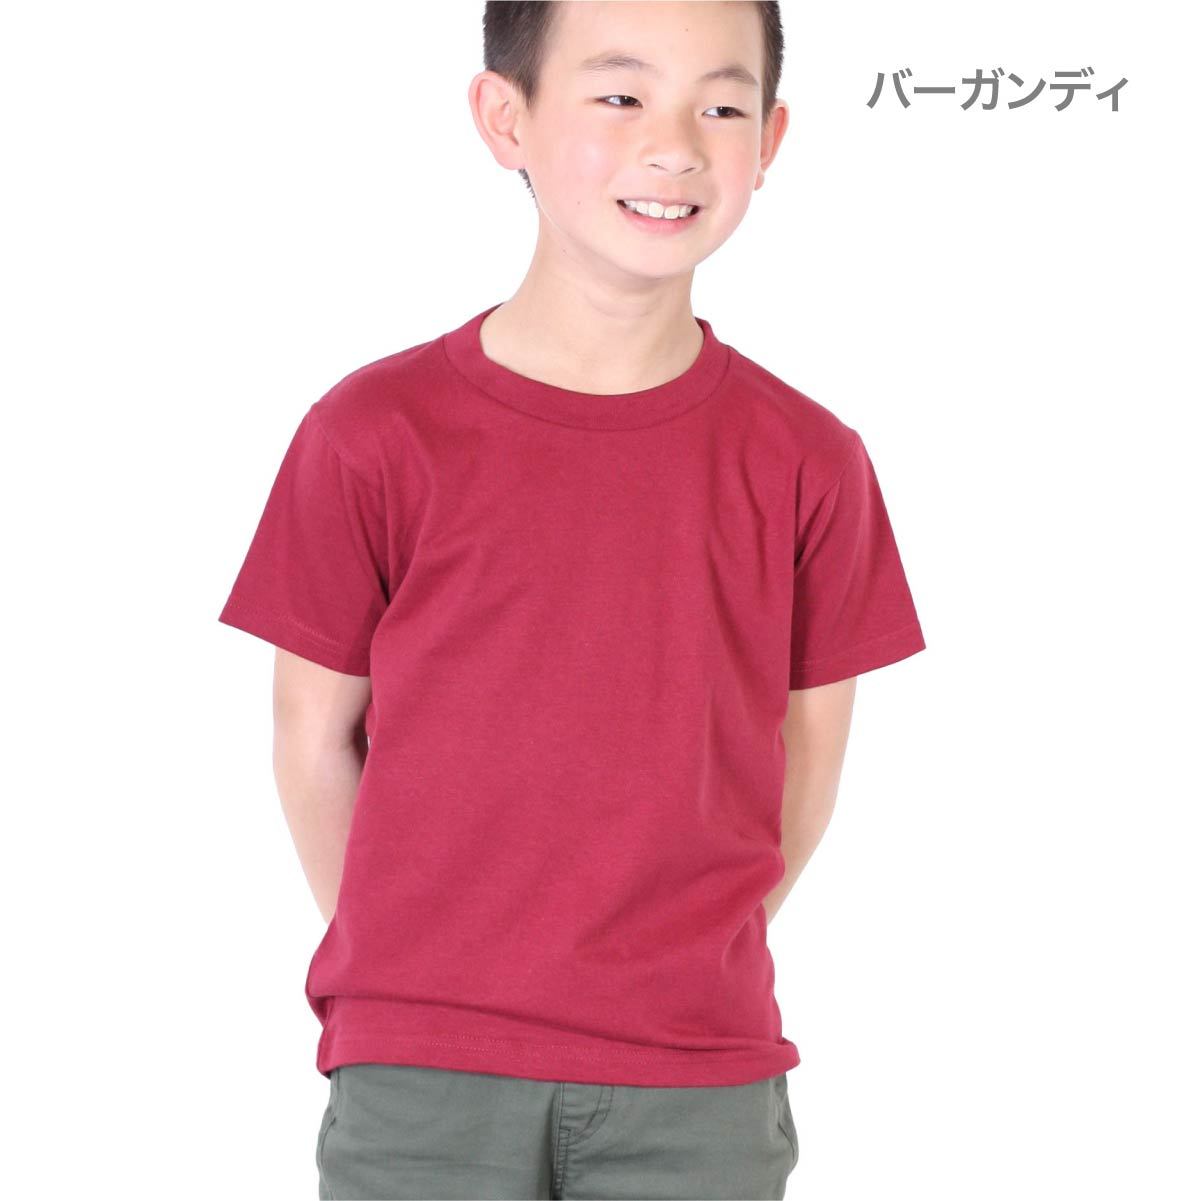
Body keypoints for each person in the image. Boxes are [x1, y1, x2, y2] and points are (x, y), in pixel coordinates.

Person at [217, 3, 926, 1198]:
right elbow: (310, 741)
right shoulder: (373, 433)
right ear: (507, 117)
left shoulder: (811, 459)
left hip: (698, 1082)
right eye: (620, 95)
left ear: (771, 140)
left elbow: (807, 762)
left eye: (722, 104)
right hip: (421, 1079)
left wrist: (674, 956)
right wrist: (426, 966)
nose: (676, 144)